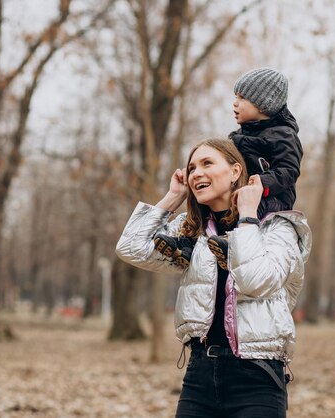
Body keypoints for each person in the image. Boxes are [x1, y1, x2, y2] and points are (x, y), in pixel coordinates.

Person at [116, 139, 311, 418]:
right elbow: (131, 248)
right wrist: (173, 196)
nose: (196, 173)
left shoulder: (277, 228)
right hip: (199, 377)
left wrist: (247, 216)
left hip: (257, 379)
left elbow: (255, 281)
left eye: (207, 164)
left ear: (235, 171)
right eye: (192, 167)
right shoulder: (192, 231)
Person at [153, 67, 303, 270]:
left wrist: (263, 183)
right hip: (241, 192)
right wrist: (203, 173)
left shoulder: (283, 135)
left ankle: (232, 247)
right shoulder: (238, 136)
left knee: (241, 206)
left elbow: (289, 170)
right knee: (208, 203)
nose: (235, 103)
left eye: (242, 98)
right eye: (236, 97)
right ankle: (187, 245)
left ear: (263, 105)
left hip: (271, 198)